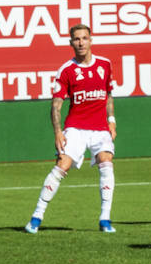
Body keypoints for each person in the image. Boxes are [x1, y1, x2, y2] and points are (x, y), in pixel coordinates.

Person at [25, 25, 118, 234]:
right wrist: (58, 132)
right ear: (71, 43)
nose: (81, 42)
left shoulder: (104, 64)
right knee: (62, 164)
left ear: (91, 40)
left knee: (106, 161)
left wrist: (111, 120)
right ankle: (36, 216)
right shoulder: (66, 70)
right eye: (77, 39)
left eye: (85, 38)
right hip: (75, 127)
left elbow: (109, 94)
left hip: (100, 127)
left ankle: (105, 218)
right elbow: (56, 105)